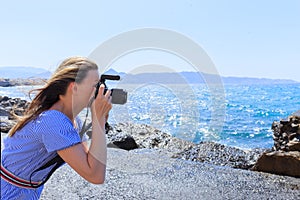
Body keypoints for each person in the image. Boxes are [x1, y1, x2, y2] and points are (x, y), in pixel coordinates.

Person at [1, 56, 112, 199]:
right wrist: (98, 120)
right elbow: (95, 175)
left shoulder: (71, 120)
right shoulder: (53, 121)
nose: (101, 91)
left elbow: (91, 162)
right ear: (74, 87)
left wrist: (100, 119)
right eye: (96, 85)